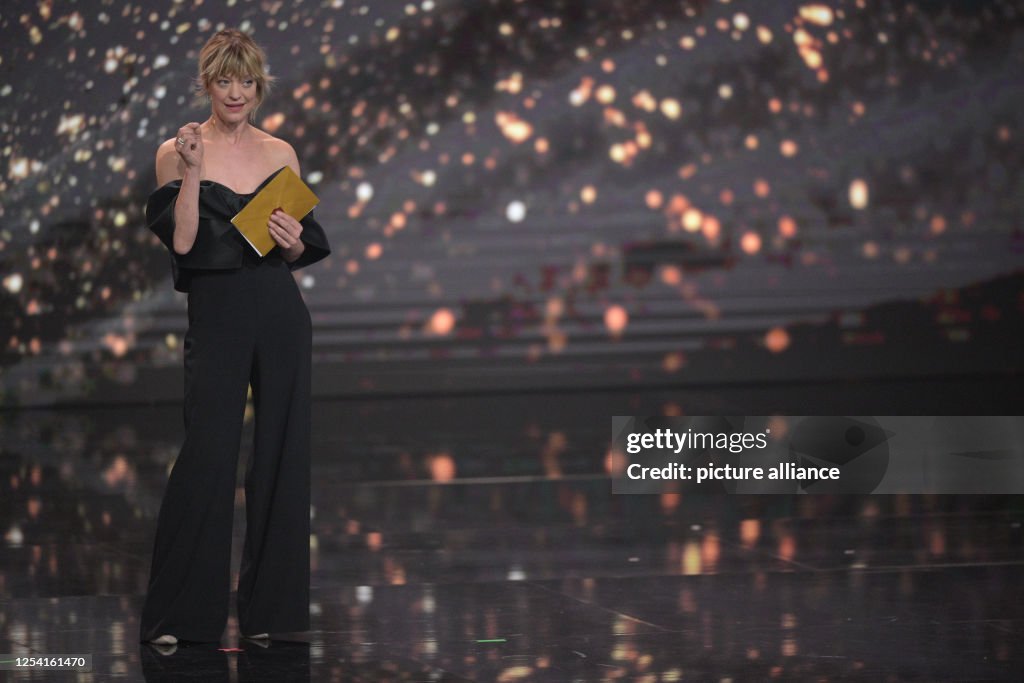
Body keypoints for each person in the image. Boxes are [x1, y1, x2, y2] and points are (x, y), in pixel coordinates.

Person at [139, 28, 330, 645]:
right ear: (208, 83)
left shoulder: (281, 152)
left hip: (279, 309)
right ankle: (180, 619)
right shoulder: (177, 149)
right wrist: (192, 174)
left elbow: (300, 243)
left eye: (247, 81)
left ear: (259, 86)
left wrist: (293, 239)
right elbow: (186, 242)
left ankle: (272, 620)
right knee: (207, 455)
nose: (237, 92)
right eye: (226, 80)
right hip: (217, 313)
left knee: (281, 455)